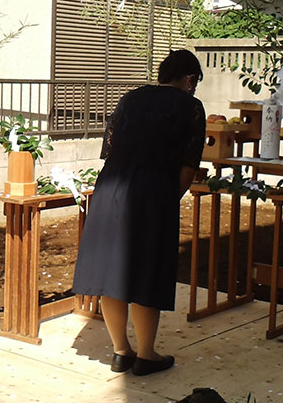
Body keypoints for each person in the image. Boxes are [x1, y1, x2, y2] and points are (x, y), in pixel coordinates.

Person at [72, 49, 206, 376]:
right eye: (195, 82)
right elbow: (188, 167)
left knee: (111, 271)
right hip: (154, 192)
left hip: (111, 188)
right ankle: (147, 355)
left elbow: (110, 149)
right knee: (148, 270)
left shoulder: (130, 99)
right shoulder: (191, 107)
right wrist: (165, 200)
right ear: (189, 79)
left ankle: (121, 351)